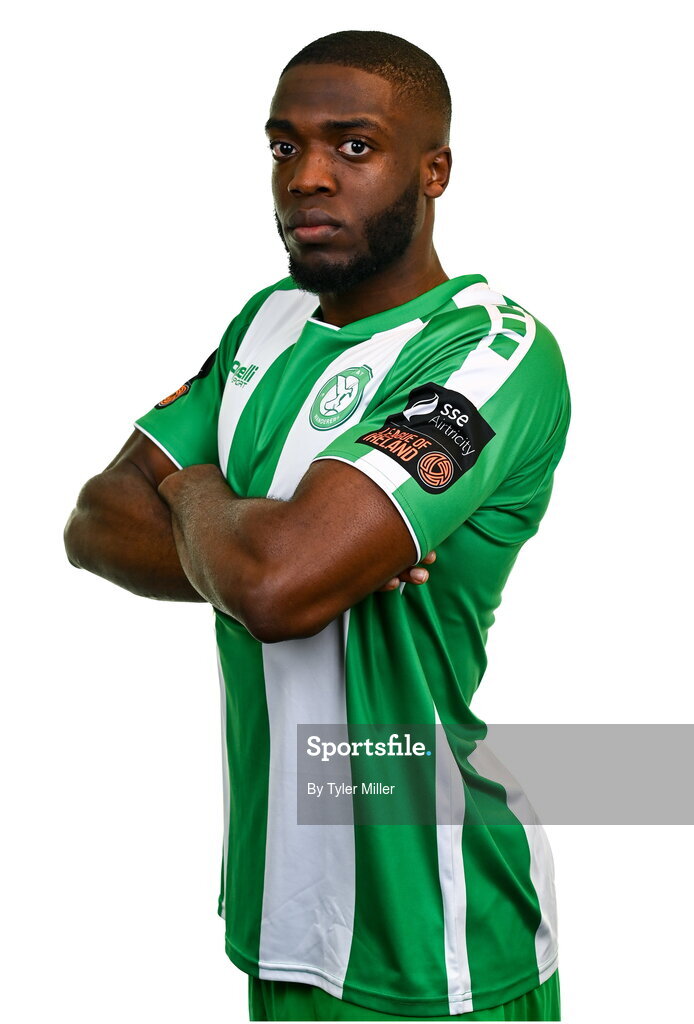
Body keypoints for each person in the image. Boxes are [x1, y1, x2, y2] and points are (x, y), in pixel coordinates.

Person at [64, 29, 569, 1022]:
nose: (306, 179)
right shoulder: (267, 323)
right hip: (282, 912)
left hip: (437, 934)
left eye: (353, 146)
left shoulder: (488, 351)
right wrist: (270, 536)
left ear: (434, 171)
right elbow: (93, 519)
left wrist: (202, 491)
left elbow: (276, 591)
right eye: (283, 147)